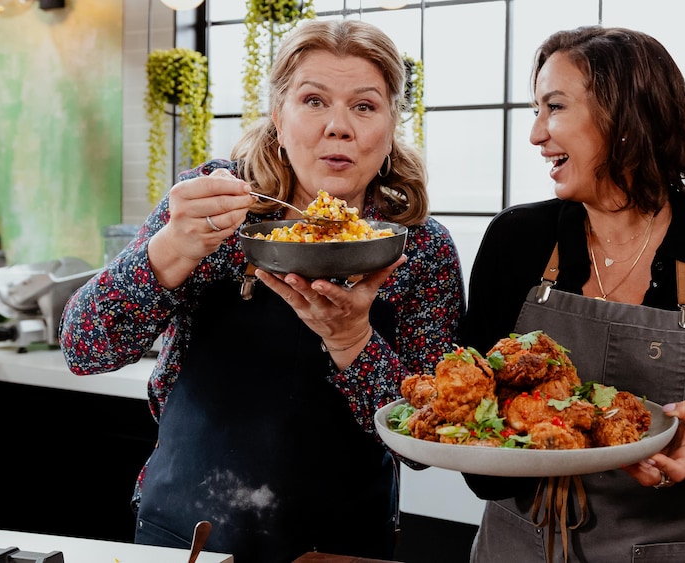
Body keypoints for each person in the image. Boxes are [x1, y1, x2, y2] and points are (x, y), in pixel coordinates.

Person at [58, 19, 465, 563]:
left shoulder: (420, 249)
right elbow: (85, 351)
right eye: (313, 100)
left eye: (365, 106)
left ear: (392, 122)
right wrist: (170, 250)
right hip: (187, 533)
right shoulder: (215, 207)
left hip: (343, 544)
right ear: (278, 115)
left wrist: (352, 342)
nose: (338, 127)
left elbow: (428, 439)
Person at [458, 26, 685, 562]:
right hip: (517, 548)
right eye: (537, 109)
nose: (535, 134)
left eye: (554, 107)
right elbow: (475, 439)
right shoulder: (516, 240)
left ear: (625, 118)